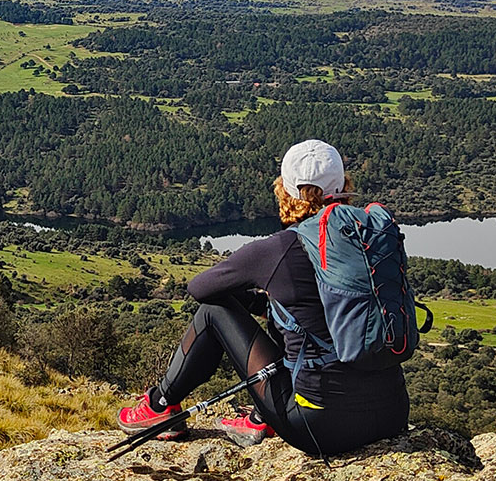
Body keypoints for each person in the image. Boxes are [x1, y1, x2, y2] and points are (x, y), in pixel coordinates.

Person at [116, 139, 410, 454]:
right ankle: (260, 416)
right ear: (344, 185)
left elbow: (200, 288)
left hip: (321, 428)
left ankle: (160, 405)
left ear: (288, 191)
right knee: (297, 318)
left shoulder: (279, 250)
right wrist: (270, 301)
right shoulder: (372, 238)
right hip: (393, 415)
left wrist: (257, 296)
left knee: (213, 312)